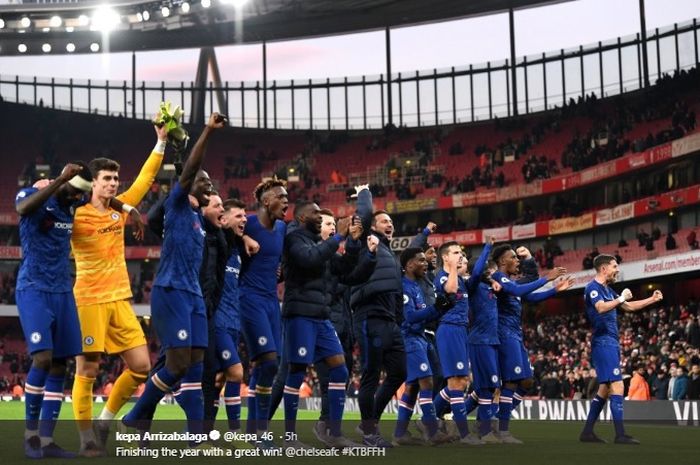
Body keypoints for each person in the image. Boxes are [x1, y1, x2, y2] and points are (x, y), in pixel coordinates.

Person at [122, 113, 226, 437]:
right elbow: (191, 168)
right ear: (187, 182)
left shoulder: (197, 217)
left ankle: (196, 436)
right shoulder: (177, 202)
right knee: (177, 364)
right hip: (171, 291)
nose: (209, 184)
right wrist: (207, 131)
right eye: (203, 180)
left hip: (193, 295)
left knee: (194, 367)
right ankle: (138, 412)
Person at [71, 123, 166, 455]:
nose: (112, 184)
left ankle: (105, 419)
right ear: (93, 183)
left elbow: (144, 180)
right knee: (88, 369)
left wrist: (160, 142)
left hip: (121, 300)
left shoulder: (120, 211)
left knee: (141, 367)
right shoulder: (76, 215)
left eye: (115, 179)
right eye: (106, 179)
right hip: (88, 300)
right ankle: (86, 440)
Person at [281, 201, 376, 448]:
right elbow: (310, 259)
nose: (320, 216)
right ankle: (290, 438)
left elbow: (345, 268)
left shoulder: (326, 249)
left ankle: (334, 433)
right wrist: (339, 237)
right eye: (316, 213)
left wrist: (353, 243)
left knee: (340, 369)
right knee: (297, 371)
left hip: (322, 318)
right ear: (303, 217)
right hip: (300, 314)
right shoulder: (295, 239)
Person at [16, 162, 94, 458]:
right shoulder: (33, 195)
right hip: (34, 288)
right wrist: (60, 179)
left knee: (61, 365)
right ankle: (31, 437)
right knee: (43, 359)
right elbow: (23, 209)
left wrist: (128, 210)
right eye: (72, 192)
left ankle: (47, 441)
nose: (76, 199)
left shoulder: (72, 203)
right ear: (62, 182)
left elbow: (99, 194)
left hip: (63, 291)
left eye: (79, 195)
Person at [579, 254, 663, 444]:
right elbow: (600, 308)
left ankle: (587, 432)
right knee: (617, 385)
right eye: (614, 266)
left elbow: (629, 306)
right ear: (604, 269)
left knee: (603, 390)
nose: (617, 269)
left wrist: (651, 299)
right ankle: (620, 434)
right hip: (603, 342)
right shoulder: (592, 288)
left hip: (612, 343)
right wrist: (620, 298)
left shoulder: (608, 289)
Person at [491, 244, 570, 443]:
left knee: (526, 381)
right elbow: (518, 289)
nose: (517, 261)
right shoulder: (498, 278)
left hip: (516, 335)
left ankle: (498, 417)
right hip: (504, 334)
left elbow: (530, 296)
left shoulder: (511, 282)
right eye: (513, 258)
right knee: (510, 381)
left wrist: (554, 290)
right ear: (502, 261)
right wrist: (546, 278)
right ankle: (502, 430)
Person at [351, 185, 405, 447]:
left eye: (392, 222)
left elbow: (395, 290)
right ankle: (370, 432)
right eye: (384, 220)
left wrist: (399, 319)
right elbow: (362, 215)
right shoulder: (366, 243)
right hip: (369, 316)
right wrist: (364, 193)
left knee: (399, 371)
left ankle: (369, 419)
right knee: (371, 374)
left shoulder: (389, 253)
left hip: (390, 322)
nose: (389, 224)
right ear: (372, 226)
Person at [239, 177, 288, 445]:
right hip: (248, 297)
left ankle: (253, 433)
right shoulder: (248, 222)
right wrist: (243, 235)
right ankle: (257, 431)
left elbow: (277, 261)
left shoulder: (281, 228)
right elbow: (223, 229)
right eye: (281, 198)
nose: (286, 202)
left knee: (271, 365)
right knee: (268, 362)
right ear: (266, 201)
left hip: (272, 301)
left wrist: (279, 272)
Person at [392, 248, 452, 446]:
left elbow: (424, 315)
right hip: (409, 338)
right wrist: (435, 308)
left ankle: (400, 433)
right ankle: (431, 430)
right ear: (409, 265)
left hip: (421, 337)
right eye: (420, 261)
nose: (425, 263)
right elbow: (410, 317)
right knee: (426, 381)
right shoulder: (404, 287)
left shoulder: (417, 285)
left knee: (413, 386)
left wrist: (442, 308)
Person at [430, 240, 485, 445]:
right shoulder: (443, 277)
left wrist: (486, 249)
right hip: (449, 329)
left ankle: (427, 419)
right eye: (455, 252)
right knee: (456, 383)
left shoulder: (461, 279)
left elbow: (476, 275)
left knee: (462, 381)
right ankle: (464, 434)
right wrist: (453, 268)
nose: (460, 255)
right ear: (445, 257)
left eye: (461, 252)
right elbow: (450, 290)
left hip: (462, 331)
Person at [214, 199, 248, 436]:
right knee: (236, 372)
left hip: (234, 321)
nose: (244, 220)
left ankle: (203, 433)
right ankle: (235, 433)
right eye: (239, 216)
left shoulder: (237, 252)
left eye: (245, 216)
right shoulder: (216, 245)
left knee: (218, 380)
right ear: (224, 219)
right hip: (217, 322)